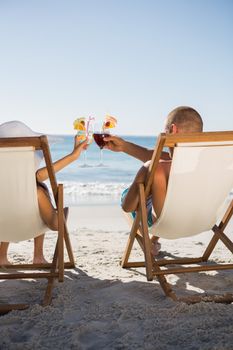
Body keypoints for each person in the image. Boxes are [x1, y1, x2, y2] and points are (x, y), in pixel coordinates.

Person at [104, 106, 204, 255]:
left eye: (165, 129)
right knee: (166, 192)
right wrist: (124, 146)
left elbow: (128, 207)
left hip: (167, 226)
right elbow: (155, 156)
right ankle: (153, 240)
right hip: (202, 222)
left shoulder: (155, 168)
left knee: (134, 195)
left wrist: (144, 177)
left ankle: (148, 242)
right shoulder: (206, 164)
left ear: (173, 130)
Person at [0, 121, 87, 265]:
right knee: (40, 192)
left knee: (9, 195)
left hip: (3, 226)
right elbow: (55, 225)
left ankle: (1, 257)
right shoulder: (36, 191)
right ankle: (38, 257)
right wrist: (62, 213)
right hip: (27, 222)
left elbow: (38, 176)